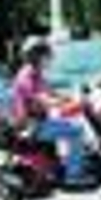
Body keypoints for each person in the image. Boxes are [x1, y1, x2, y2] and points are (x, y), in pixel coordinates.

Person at [11, 38, 86, 186]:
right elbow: (40, 98)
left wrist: (69, 98)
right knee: (77, 131)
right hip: (32, 126)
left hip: (38, 121)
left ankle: (64, 163)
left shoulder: (35, 73)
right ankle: (73, 174)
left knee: (71, 124)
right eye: (46, 54)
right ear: (36, 56)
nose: (49, 58)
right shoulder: (28, 76)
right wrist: (60, 104)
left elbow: (50, 92)